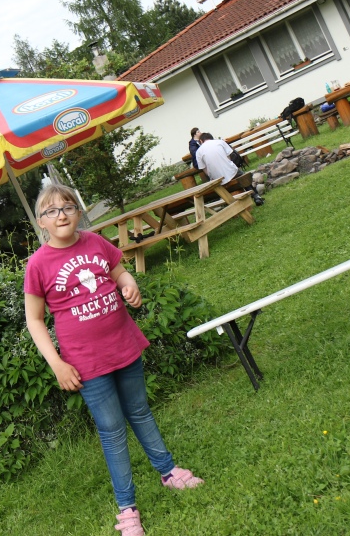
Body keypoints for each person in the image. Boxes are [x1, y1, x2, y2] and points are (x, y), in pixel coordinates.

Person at [24, 184, 203, 536]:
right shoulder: (38, 264)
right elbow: (34, 319)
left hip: (123, 346)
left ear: (79, 212)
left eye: (68, 207)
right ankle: (127, 507)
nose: (61, 215)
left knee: (140, 411)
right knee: (111, 430)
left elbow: (119, 271)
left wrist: (129, 284)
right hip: (86, 364)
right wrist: (57, 363)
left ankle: (168, 472)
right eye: (51, 211)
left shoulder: (95, 242)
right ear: (41, 222)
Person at [196, 132, 264, 205]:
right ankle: (256, 196)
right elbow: (229, 158)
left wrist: (212, 176)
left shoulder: (198, 151)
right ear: (211, 138)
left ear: (201, 141)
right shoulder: (220, 142)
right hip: (230, 172)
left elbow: (204, 169)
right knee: (243, 177)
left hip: (216, 179)